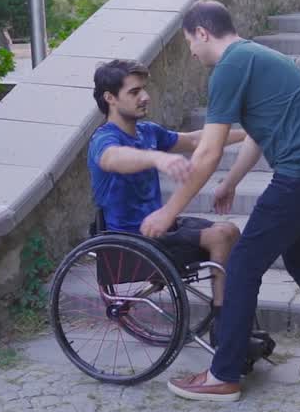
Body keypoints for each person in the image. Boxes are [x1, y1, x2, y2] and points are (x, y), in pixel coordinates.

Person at [140, 0, 300, 402]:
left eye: (189, 41)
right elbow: (261, 133)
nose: (190, 51)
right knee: (298, 256)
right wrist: (230, 181)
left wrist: (169, 211)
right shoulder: (258, 56)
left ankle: (222, 375)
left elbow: (205, 152)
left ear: (202, 33)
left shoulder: (229, 67)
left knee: (242, 263)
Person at [87, 59, 245, 315]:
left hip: (161, 229)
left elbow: (195, 140)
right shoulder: (104, 138)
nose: (145, 97)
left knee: (230, 230)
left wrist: (248, 134)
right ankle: (223, 318)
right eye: (134, 92)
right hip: (132, 239)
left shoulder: (147, 131)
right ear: (110, 98)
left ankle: (228, 309)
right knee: (220, 235)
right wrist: (156, 157)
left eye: (144, 89)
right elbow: (112, 158)